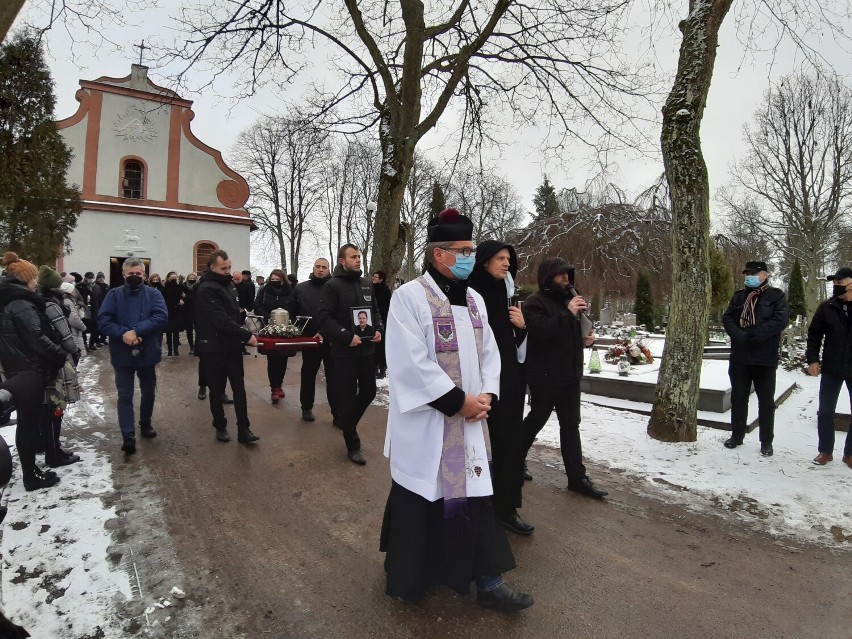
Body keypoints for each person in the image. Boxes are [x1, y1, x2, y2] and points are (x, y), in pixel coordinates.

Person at [380, 208, 533, 612]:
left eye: (470, 249)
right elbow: (407, 361)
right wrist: (455, 401)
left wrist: (487, 397)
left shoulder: (476, 300)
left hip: (470, 422)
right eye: (463, 250)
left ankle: (489, 581)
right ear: (439, 254)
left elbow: (491, 355)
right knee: (422, 496)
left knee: (476, 495)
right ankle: (413, 575)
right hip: (429, 422)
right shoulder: (408, 298)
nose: (469, 256)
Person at [521, 257, 607, 499]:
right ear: (548, 277)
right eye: (561, 275)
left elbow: (568, 333)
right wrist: (568, 314)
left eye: (568, 274)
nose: (566, 279)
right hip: (545, 377)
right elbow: (540, 332)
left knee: (570, 426)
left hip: (569, 376)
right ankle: (514, 460)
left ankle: (577, 478)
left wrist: (585, 338)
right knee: (536, 419)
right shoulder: (534, 303)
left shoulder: (570, 300)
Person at [469, 240, 532, 535]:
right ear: (484, 261)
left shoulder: (508, 294)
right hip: (479, 381)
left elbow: (512, 344)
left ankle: (506, 507)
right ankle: (479, 507)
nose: (507, 263)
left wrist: (522, 327)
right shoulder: (470, 292)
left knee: (508, 442)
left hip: (509, 379)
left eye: (509, 259)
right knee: (480, 445)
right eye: (500, 258)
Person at [0, 252, 68, 490]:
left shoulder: (8, 299)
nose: (36, 282)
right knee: (28, 425)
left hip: (16, 367)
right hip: (28, 370)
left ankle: (31, 471)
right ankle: (30, 475)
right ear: (25, 278)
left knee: (28, 424)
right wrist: (60, 354)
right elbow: (37, 336)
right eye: (33, 277)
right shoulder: (20, 302)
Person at [317, 244, 382, 464]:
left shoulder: (366, 284)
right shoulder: (332, 286)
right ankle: (352, 443)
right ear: (342, 261)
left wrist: (379, 330)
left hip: (367, 350)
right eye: (353, 257)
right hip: (344, 351)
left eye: (359, 256)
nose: (358, 260)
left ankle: (347, 421)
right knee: (345, 395)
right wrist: (346, 336)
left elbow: (374, 310)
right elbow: (325, 318)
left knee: (369, 391)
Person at [97, 258, 169, 453]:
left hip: (147, 352)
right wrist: (123, 334)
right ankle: (127, 435)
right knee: (125, 395)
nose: (135, 277)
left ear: (144, 274)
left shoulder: (154, 294)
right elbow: (103, 321)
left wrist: (136, 331)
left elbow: (161, 316)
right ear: (124, 275)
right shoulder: (113, 295)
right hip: (122, 354)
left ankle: (145, 423)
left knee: (148, 391)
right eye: (131, 274)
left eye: (138, 274)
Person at [721, 260, 789, 456]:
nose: (749, 276)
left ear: (765, 275)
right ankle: (737, 435)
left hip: (764, 357)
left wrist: (756, 335)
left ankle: (766, 441)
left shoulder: (776, 296)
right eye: (747, 273)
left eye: (754, 273)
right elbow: (728, 318)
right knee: (739, 398)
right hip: (740, 356)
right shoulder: (739, 296)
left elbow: (780, 319)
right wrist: (741, 336)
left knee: (766, 401)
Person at [194, 250, 260, 444]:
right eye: (224, 268)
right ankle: (220, 425)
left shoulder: (229, 285)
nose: (228, 271)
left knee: (239, 387)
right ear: (212, 267)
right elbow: (219, 319)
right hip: (213, 347)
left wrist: (242, 321)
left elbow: (232, 314)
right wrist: (246, 335)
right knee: (216, 388)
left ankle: (244, 428)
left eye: (229, 267)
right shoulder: (206, 289)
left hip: (231, 345)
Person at [806, 266, 852, 467]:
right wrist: (813, 360)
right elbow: (814, 334)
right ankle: (825, 451)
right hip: (832, 367)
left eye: (840, 283)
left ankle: (849, 454)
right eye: (834, 283)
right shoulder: (827, 307)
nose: (837, 286)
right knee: (825, 411)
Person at [37, 266, 82, 468]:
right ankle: (54, 453)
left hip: (40, 362)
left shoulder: (35, 301)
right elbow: (65, 336)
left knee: (47, 409)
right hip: (55, 362)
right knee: (56, 407)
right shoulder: (52, 305)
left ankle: (49, 447)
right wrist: (74, 351)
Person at [286, 257, 335, 422]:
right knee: (308, 374)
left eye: (324, 267)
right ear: (313, 268)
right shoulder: (300, 289)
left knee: (334, 377)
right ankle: (306, 407)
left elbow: (338, 313)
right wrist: (296, 329)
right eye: (318, 266)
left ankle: (337, 412)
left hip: (331, 340)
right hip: (309, 340)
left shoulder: (335, 288)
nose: (321, 270)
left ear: (329, 270)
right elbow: (289, 312)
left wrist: (325, 331)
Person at [253, 269, 293, 403]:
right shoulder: (264, 291)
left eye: (277, 279)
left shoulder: (290, 291)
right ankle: (274, 388)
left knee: (283, 358)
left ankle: (279, 384)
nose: (274, 281)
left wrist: (286, 317)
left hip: (285, 328)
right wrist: (269, 316)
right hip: (268, 327)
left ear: (283, 280)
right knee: (272, 358)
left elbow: (294, 306)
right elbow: (257, 305)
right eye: (272, 279)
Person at [371, 270, 392, 378]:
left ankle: (382, 368)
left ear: (381, 279)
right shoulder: (370, 289)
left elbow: (386, 308)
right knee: (374, 346)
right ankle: (374, 368)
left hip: (382, 321)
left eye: (376, 277)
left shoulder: (385, 291)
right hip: (372, 321)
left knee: (381, 347)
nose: (373, 278)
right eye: (373, 276)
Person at [162, 271, 185, 356]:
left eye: (175, 277)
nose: (173, 278)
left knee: (176, 331)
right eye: (172, 277)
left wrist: (182, 301)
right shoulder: (165, 286)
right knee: (168, 332)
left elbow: (184, 294)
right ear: (168, 277)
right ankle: (169, 350)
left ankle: (175, 349)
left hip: (177, 311)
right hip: (168, 311)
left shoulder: (179, 286)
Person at [84, 271, 103, 350]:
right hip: (85, 311)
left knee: (95, 328)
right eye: (89, 278)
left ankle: (92, 343)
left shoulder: (97, 287)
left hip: (95, 310)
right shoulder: (82, 287)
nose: (91, 280)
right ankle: (85, 344)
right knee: (85, 328)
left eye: (92, 278)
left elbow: (100, 300)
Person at [182, 272, 199, 354]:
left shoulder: (198, 286)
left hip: (197, 309)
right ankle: (191, 347)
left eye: (193, 278)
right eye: (190, 278)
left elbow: (195, 297)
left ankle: (197, 346)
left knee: (197, 329)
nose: (192, 280)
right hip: (187, 310)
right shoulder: (184, 286)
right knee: (189, 330)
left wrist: (186, 297)